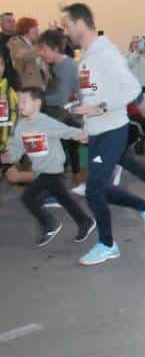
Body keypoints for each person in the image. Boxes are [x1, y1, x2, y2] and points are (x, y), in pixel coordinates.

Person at [61, 3, 145, 266]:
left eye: (67, 24)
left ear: (81, 23)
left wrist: (100, 107)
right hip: (96, 131)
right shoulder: (87, 57)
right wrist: (83, 115)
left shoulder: (105, 53)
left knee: (94, 189)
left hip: (112, 130)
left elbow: (131, 89)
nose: (65, 30)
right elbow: (93, 91)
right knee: (99, 188)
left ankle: (107, 244)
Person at [1, 87, 95, 246]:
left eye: (24, 101)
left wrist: (82, 135)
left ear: (37, 103)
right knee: (64, 198)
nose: (20, 105)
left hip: (51, 169)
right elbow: (17, 150)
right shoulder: (21, 127)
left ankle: (50, 224)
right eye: (19, 102)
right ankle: (84, 221)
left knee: (28, 198)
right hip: (40, 170)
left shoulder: (45, 122)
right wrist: (6, 157)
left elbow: (66, 131)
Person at [37, 29, 82, 183]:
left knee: (55, 153)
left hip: (70, 115)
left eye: (43, 50)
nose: (41, 53)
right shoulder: (57, 64)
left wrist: (36, 99)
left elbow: (60, 98)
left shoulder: (65, 67)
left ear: (55, 49)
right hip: (66, 115)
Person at [8, 17, 48, 90]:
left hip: (42, 81)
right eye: (34, 28)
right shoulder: (15, 41)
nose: (37, 30)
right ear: (25, 29)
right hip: (28, 83)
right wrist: (40, 50)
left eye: (37, 27)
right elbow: (22, 55)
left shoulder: (35, 43)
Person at [0, 54, 19, 169]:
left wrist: (9, 142)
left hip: (4, 148)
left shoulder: (9, 92)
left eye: (1, 64)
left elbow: (14, 118)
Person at [0, 12, 18, 89]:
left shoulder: (21, 39)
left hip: (20, 82)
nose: (12, 23)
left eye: (13, 21)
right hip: (4, 81)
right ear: (1, 24)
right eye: (9, 21)